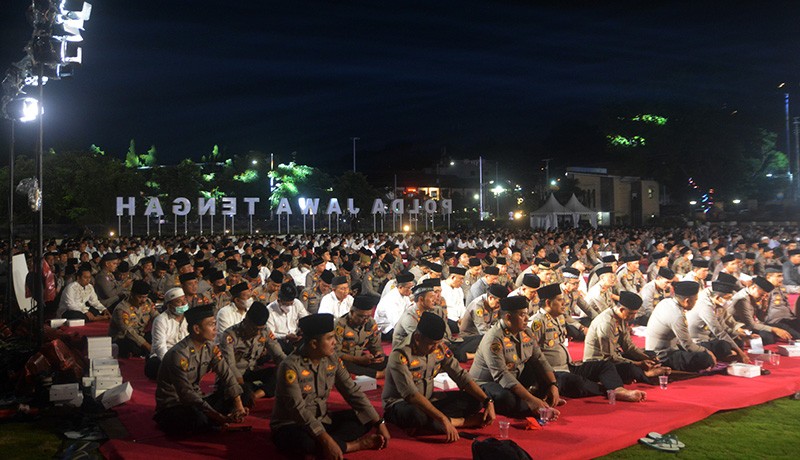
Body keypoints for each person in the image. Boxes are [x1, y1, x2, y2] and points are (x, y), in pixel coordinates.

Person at [271, 314, 389, 458]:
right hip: (293, 424)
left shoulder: (332, 359)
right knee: (304, 443)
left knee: (365, 418)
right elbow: (298, 409)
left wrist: (379, 422)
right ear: (314, 344)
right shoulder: (290, 366)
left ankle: (326, 447)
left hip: (323, 419)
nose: (335, 342)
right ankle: (352, 446)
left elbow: (352, 391)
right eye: (330, 338)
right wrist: (326, 439)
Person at [382, 312, 495, 442]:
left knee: (475, 400)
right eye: (432, 344)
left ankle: (431, 425)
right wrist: (442, 418)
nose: (436, 348)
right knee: (417, 416)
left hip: (429, 399)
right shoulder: (400, 355)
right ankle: (459, 422)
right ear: (418, 337)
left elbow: (460, 375)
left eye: (438, 343)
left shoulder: (439, 347)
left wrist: (487, 401)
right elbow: (411, 395)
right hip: (402, 404)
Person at [531, 284, 647, 402]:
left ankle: (617, 389)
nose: (564, 303)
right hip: (553, 371)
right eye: (560, 300)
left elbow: (628, 346)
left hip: (568, 366)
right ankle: (607, 388)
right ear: (548, 303)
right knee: (577, 383)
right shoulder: (537, 323)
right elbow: (533, 354)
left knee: (605, 366)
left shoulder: (559, 318)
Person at [154, 304, 248, 436]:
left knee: (242, 393)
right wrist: (216, 415)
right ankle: (213, 422)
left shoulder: (210, 347)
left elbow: (227, 374)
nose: (215, 328)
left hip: (198, 398)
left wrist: (238, 404)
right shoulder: (179, 354)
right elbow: (186, 394)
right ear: (197, 329)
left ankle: (215, 421)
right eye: (211, 324)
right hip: (175, 404)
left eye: (215, 323)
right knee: (195, 418)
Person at [469, 295, 562, 419]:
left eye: (527, 314)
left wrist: (553, 385)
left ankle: (539, 401)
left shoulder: (526, 332)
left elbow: (540, 359)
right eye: (522, 315)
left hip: (514, 377)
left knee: (550, 378)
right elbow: (501, 375)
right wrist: (530, 399)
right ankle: (534, 406)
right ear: (508, 317)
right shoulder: (494, 339)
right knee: (507, 399)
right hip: (487, 383)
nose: (527, 318)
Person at [583, 291, 670, 383]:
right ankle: (646, 374)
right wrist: (639, 364)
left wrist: (646, 358)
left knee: (649, 353)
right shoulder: (606, 323)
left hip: (615, 356)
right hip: (597, 363)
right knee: (630, 368)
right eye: (631, 313)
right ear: (621, 310)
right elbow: (609, 357)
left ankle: (643, 369)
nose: (633, 317)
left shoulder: (621, 318)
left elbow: (628, 346)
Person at [219, 301, 286, 405]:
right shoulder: (230, 335)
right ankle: (251, 392)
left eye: (261, 329)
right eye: (255, 329)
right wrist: (243, 387)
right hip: (234, 376)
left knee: (282, 372)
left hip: (252, 372)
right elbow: (230, 365)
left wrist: (290, 367)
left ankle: (257, 394)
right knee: (238, 390)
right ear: (246, 321)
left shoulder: (265, 331)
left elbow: (279, 355)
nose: (258, 333)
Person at [645, 281, 717, 372]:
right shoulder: (677, 315)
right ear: (687, 301)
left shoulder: (666, 302)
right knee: (705, 358)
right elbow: (688, 346)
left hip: (668, 348)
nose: (696, 303)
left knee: (707, 348)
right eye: (695, 300)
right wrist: (706, 351)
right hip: (662, 357)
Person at [686, 280, 750, 362]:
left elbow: (723, 327)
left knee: (737, 341)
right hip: (698, 341)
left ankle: (729, 355)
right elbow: (719, 332)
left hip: (710, 338)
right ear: (717, 298)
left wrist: (738, 333)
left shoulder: (718, 305)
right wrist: (741, 353)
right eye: (728, 298)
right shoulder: (705, 307)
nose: (729, 301)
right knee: (724, 346)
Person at [727, 276, 793, 345]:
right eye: (761, 295)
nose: (762, 297)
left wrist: (764, 306)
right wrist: (774, 330)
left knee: (783, 326)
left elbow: (761, 318)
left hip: (749, 325)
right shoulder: (742, 299)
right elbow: (751, 324)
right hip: (739, 327)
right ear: (754, 287)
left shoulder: (753, 295)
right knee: (767, 336)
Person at [335, 294, 386, 379]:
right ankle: (375, 374)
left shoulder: (371, 323)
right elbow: (335, 353)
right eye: (361, 316)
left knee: (392, 360)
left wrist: (378, 354)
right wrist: (357, 359)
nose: (365, 320)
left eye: (368, 316)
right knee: (339, 364)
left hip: (362, 359)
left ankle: (370, 372)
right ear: (352, 312)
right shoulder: (340, 325)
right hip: (346, 359)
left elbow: (375, 346)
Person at [145, 287, 189, 380]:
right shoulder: (161, 320)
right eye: (179, 301)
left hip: (184, 355)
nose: (183, 303)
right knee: (154, 366)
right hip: (165, 357)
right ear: (169, 305)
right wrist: (171, 364)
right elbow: (160, 347)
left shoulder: (190, 318)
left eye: (184, 300)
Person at [108, 280, 155, 358]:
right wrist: (147, 346)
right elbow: (128, 332)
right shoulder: (122, 309)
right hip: (123, 338)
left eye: (145, 297)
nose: (143, 300)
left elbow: (156, 316)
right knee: (131, 346)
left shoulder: (147, 302)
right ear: (132, 295)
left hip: (140, 334)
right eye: (140, 297)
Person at [266, 282, 310, 354]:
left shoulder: (296, 303)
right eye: (286, 304)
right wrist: (285, 336)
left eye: (291, 304)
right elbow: (271, 334)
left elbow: (306, 320)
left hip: (296, 337)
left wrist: (302, 330)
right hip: (280, 340)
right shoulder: (269, 310)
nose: (289, 307)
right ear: (279, 300)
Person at [375, 272, 414, 341]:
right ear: (400, 287)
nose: (411, 291)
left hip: (401, 323)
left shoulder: (404, 295)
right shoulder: (391, 299)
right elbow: (396, 324)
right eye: (409, 288)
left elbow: (410, 309)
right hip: (386, 329)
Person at [763, 265, 800, 338]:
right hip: (776, 321)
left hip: (789, 319)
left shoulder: (780, 287)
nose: (782, 278)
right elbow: (761, 311)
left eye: (782, 276)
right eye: (778, 276)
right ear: (768, 277)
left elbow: (792, 288)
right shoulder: (765, 291)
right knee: (797, 335)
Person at [440, 266, 467, 334]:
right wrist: (457, 320)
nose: (462, 282)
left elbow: (461, 305)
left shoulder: (459, 289)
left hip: (460, 319)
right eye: (461, 279)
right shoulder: (441, 288)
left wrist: (463, 318)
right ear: (453, 277)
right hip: (448, 319)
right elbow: (445, 309)